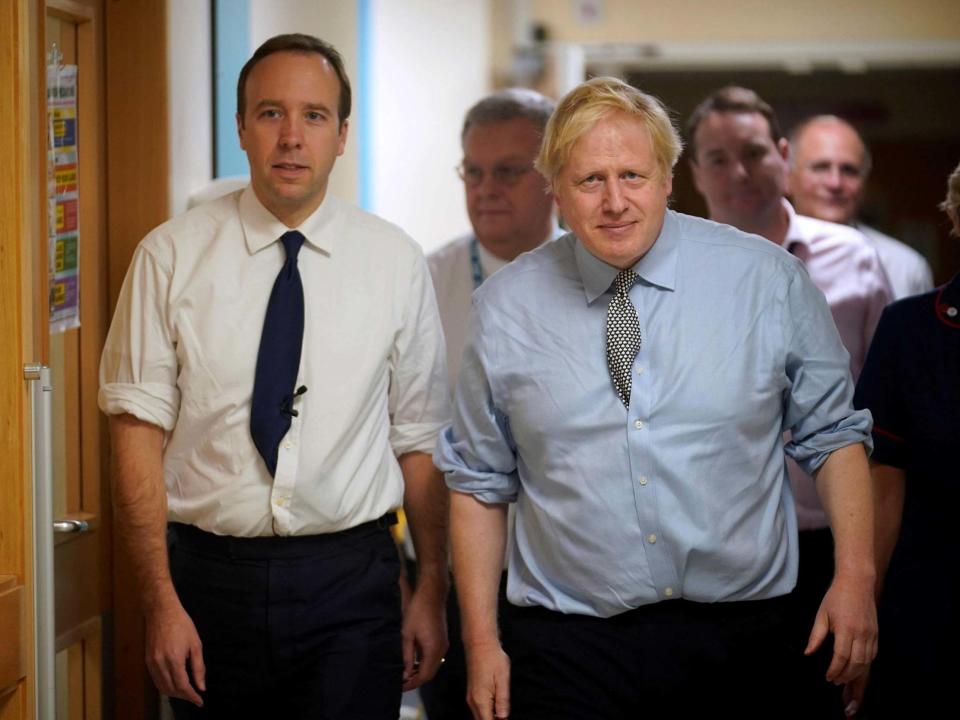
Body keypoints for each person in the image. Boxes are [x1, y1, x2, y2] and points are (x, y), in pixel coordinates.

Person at [436, 76, 877, 720]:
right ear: (554, 187)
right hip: (568, 648)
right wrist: (482, 641)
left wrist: (856, 580)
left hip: (746, 642)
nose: (615, 201)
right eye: (590, 181)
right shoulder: (504, 309)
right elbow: (478, 481)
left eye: (633, 176)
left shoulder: (767, 281)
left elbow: (834, 437)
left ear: (669, 176)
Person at [99, 34, 450, 719]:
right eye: (270, 114)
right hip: (208, 583)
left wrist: (429, 591)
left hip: (352, 581)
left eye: (314, 116)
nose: (292, 137)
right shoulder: (169, 257)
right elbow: (134, 434)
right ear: (240, 126)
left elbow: (421, 439)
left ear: (343, 134)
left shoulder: (394, 262)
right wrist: (159, 602)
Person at [687, 86, 892, 717]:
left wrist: (868, 573)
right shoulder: (667, 272)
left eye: (752, 152)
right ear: (693, 174)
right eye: (716, 159)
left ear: (782, 155)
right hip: (711, 552)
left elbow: (887, 417)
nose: (738, 172)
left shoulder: (854, 261)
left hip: (826, 544)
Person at [421, 88, 557, 720]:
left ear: (553, 174)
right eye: (472, 172)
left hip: (569, 576)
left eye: (508, 171)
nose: (486, 189)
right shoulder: (427, 282)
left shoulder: (602, 275)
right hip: (460, 570)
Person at [853, 160, 960, 717]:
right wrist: (863, 614)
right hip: (932, 601)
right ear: (954, 217)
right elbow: (883, 480)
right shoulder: (910, 328)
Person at [788, 114, 933, 299]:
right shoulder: (760, 259)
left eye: (849, 170)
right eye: (821, 167)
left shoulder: (905, 268)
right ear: (787, 176)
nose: (835, 183)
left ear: (865, 182)